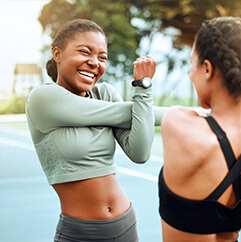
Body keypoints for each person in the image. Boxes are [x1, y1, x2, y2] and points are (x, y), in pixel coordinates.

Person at [26, 19, 164, 242]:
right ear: (57, 54)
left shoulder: (106, 93)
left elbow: (140, 153)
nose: (94, 62)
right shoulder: (42, 98)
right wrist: (144, 87)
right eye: (84, 52)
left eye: (102, 57)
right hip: (81, 233)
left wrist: (143, 98)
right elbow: (131, 113)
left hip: (126, 224)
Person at [158, 16, 241, 242]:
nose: (189, 74)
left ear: (207, 68)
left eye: (190, 63)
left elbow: (195, 113)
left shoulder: (178, 123)